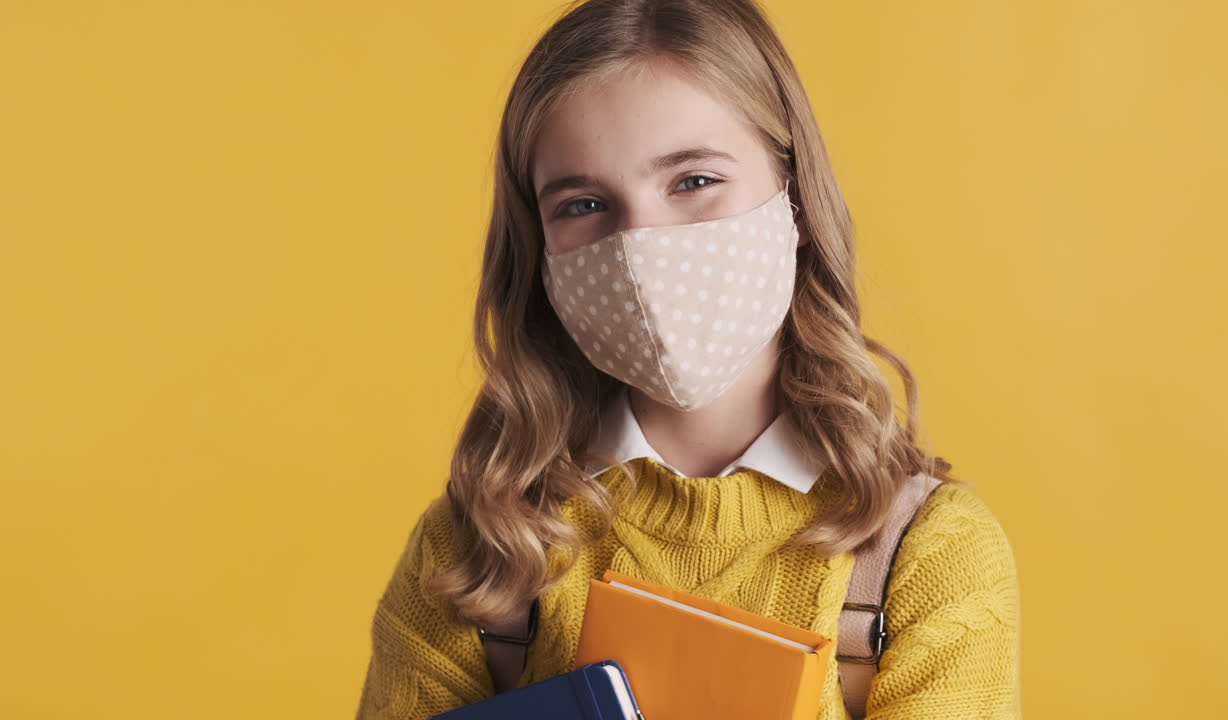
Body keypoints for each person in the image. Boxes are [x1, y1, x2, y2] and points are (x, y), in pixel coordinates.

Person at [354, 1, 1020, 718]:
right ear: (539, 251)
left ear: (792, 196)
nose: (642, 248)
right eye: (583, 204)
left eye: (694, 182)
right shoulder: (479, 549)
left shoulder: (929, 556)